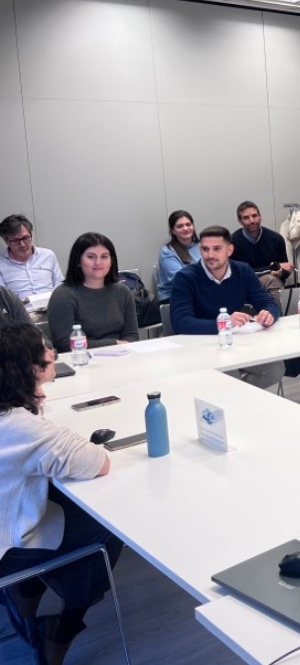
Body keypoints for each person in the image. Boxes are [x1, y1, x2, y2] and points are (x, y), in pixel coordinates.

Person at [0, 323, 121, 665]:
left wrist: (32, 399)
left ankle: (28, 590)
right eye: (46, 354)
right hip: (7, 546)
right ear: (29, 370)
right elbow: (97, 462)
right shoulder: (19, 428)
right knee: (107, 530)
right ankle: (62, 626)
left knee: (69, 505)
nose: (54, 355)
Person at [170, 226, 283, 390]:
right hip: (200, 346)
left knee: (275, 369)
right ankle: (233, 405)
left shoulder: (243, 271)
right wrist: (224, 323)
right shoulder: (186, 277)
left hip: (235, 344)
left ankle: (234, 402)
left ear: (229, 250)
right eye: (205, 249)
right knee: (230, 377)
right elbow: (181, 322)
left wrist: (269, 314)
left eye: (217, 249)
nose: (210, 255)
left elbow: (267, 303)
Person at [46, 232, 139, 352]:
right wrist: (114, 343)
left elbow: (132, 335)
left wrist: (120, 347)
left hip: (122, 357)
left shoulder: (123, 292)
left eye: (104, 257)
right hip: (81, 360)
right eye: (91, 257)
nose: (98, 262)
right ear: (78, 261)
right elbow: (64, 344)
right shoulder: (63, 295)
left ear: (111, 261)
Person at [231, 201, 293, 304]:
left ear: (260, 217)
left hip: (273, 284)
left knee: (273, 281)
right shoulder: (233, 242)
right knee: (270, 279)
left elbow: (284, 268)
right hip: (245, 284)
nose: (252, 221)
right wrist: (269, 269)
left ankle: (276, 315)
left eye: (254, 216)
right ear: (240, 221)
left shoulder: (276, 239)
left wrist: (282, 272)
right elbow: (240, 273)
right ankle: (276, 315)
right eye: (246, 218)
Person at [0, 214, 63, 302]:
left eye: (25, 238)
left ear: (31, 234)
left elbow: (60, 285)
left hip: (52, 308)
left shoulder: (48, 255)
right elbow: (3, 299)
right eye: (16, 240)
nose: (22, 244)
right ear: (6, 241)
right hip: (22, 312)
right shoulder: (1, 264)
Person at [157, 209, 201, 303]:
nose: (185, 228)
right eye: (180, 226)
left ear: (193, 226)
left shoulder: (202, 246)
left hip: (200, 291)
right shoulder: (167, 251)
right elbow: (181, 279)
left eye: (188, 224)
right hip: (174, 296)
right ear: (173, 231)